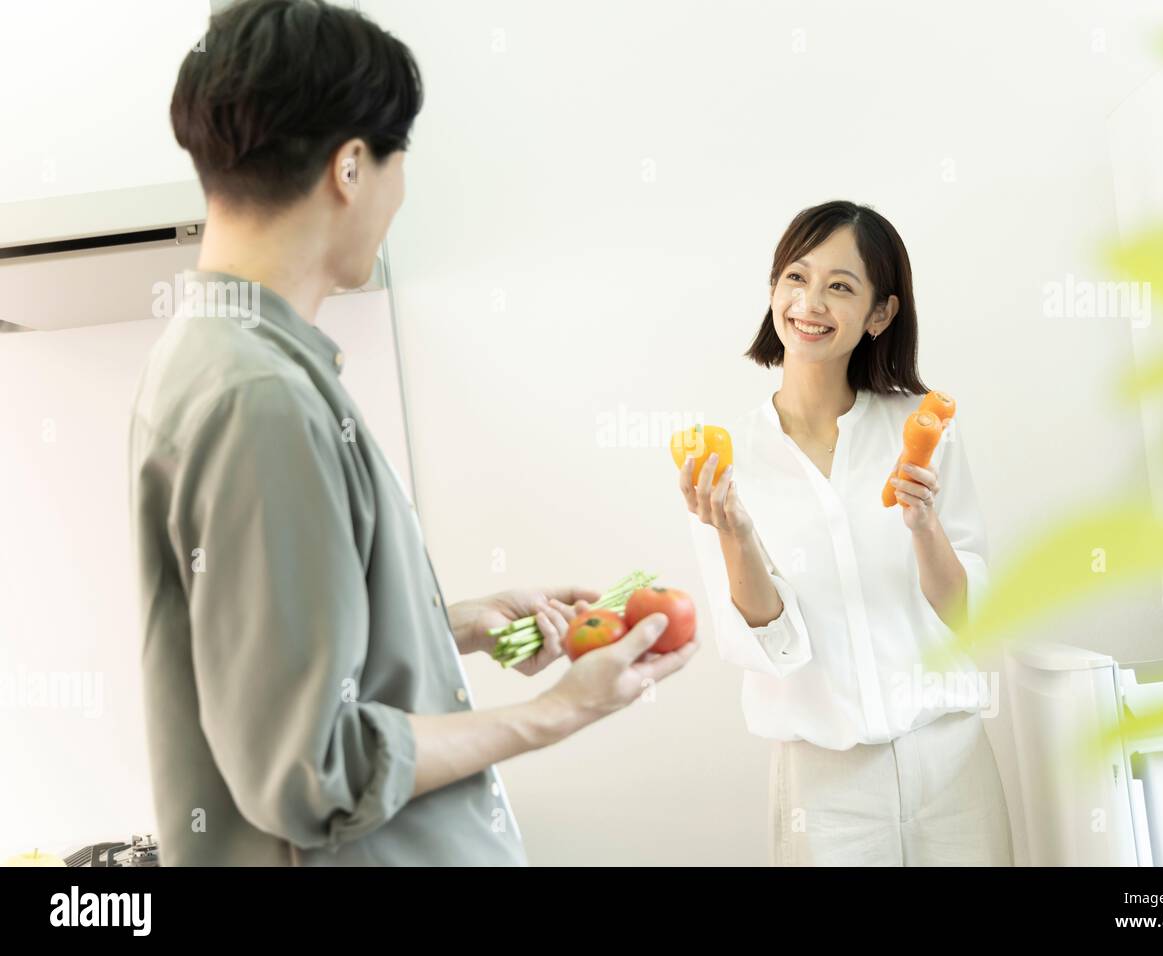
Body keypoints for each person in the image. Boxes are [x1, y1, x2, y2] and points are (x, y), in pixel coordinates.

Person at [128, 0, 696, 866]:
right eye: (400, 160)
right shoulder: (261, 396)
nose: (399, 192)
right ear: (350, 168)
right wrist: (562, 709)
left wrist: (447, 624)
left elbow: (292, 662)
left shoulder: (229, 360)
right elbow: (309, 771)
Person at [680, 200, 1012, 866]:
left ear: (880, 313)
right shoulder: (724, 460)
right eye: (796, 279)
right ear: (774, 290)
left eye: (840, 286)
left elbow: (967, 614)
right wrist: (737, 536)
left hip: (950, 760)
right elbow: (769, 645)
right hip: (824, 782)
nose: (810, 303)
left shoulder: (923, 430)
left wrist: (923, 528)